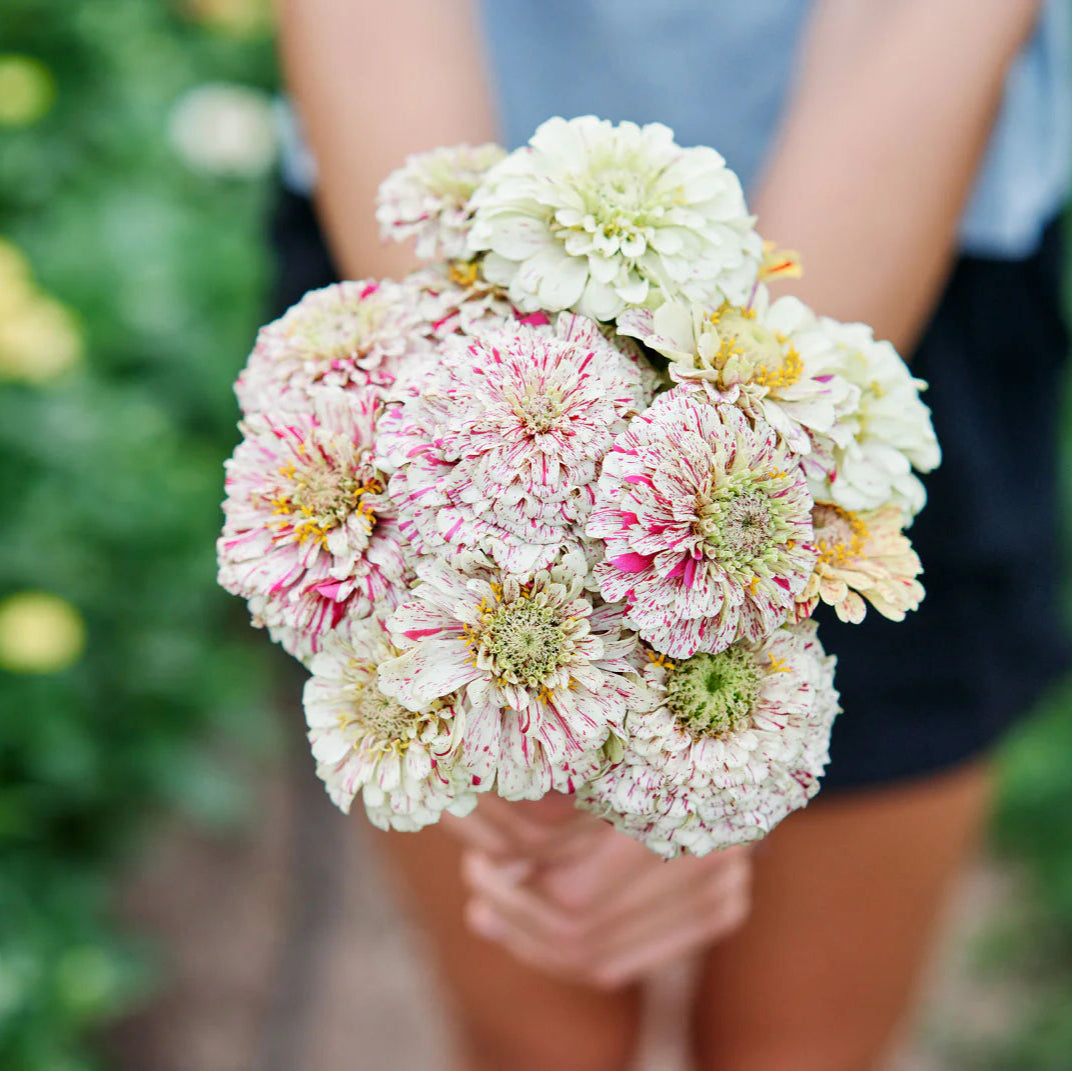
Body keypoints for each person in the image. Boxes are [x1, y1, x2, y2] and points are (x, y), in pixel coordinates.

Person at [275, 2, 1071, 1068]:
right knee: (537, 1041)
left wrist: (680, 719)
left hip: (889, 259)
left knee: (800, 1049)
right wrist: (501, 655)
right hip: (426, 249)